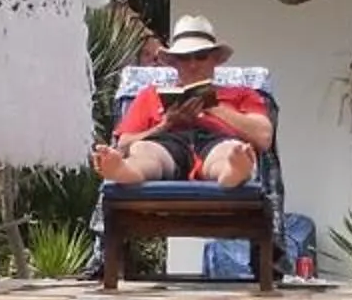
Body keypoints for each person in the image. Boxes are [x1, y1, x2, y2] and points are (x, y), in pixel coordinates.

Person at [93, 13, 272, 187]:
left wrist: (212, 106)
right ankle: (124, 171)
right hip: (167, 143)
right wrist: (164, 125)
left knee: (229, 151)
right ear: (174, 63)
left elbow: (263, 137)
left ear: (215, 59)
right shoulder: (151, 95)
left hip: (218, 140)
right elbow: (123, 144)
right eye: (184, 58)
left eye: (201, 56)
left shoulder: (242, 94)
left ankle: (233, 172)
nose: (193, 65)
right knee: (144, 151)